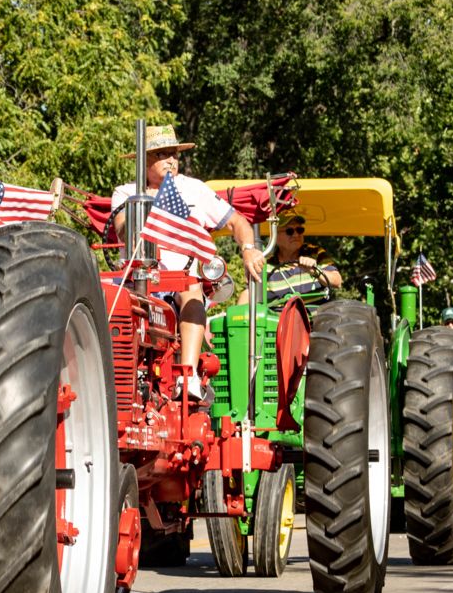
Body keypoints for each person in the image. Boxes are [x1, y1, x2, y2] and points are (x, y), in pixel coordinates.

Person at [108, 125, 264, 399]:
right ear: (144, 162)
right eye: (162, 154)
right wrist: (142, 210)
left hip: (180, 281)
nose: (171, 160)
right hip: (138, 280)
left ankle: (188, 377)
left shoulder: (195, 190)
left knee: (190, 289)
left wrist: (249, 248)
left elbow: (238, 222)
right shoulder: (125, 193)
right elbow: (122, 228)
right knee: (105, 295)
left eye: (174, 154)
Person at [263, 212, 342, 306]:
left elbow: (337, 282)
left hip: (315, 319)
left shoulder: (315, 253)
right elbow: (249, 293)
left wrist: (313, 270)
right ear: (275, 236)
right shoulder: (266, 264)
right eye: (290, 231)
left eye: (300, 230)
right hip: (279, 319)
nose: (296, 235)